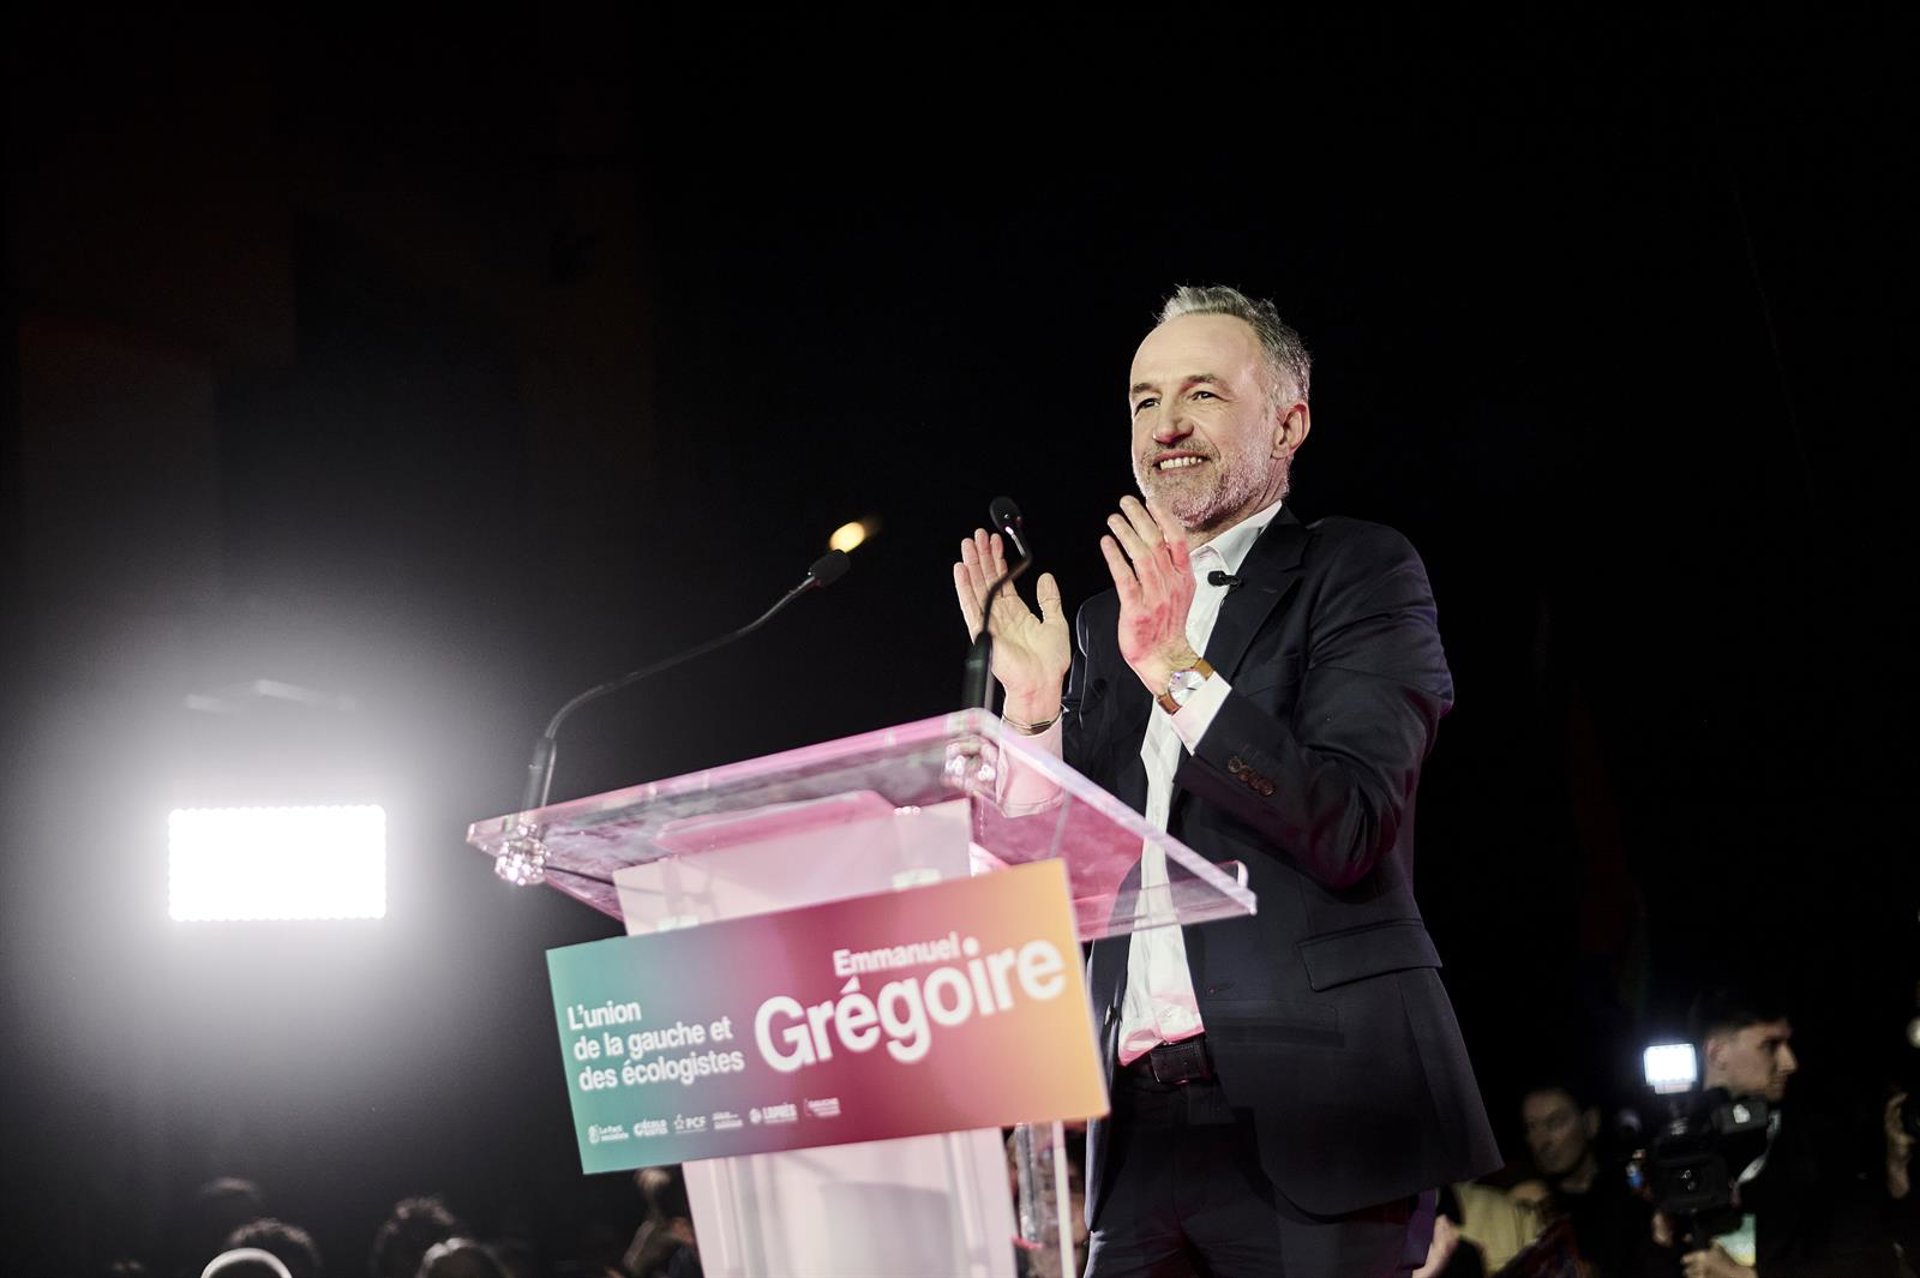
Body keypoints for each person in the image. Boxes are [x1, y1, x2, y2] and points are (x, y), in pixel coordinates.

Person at [953, 284, 1499, 1276]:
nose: (1166, 424)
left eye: (1202, 394)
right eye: (1145, 400)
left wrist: (1177, 670)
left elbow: (1348, 823)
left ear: (1289, 423)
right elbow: (1053, 888)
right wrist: (1029, 716)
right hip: (1134, 1135)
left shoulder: (1357, 571)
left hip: (1320, 1110)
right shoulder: (1100, 628)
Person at [1517, 1080, 1649, 1276]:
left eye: (1555, 1123)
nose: (1541, 1141)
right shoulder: (1526, 1207)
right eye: (1531, 1127)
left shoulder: (1633, 1193)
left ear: (1590, 1123)